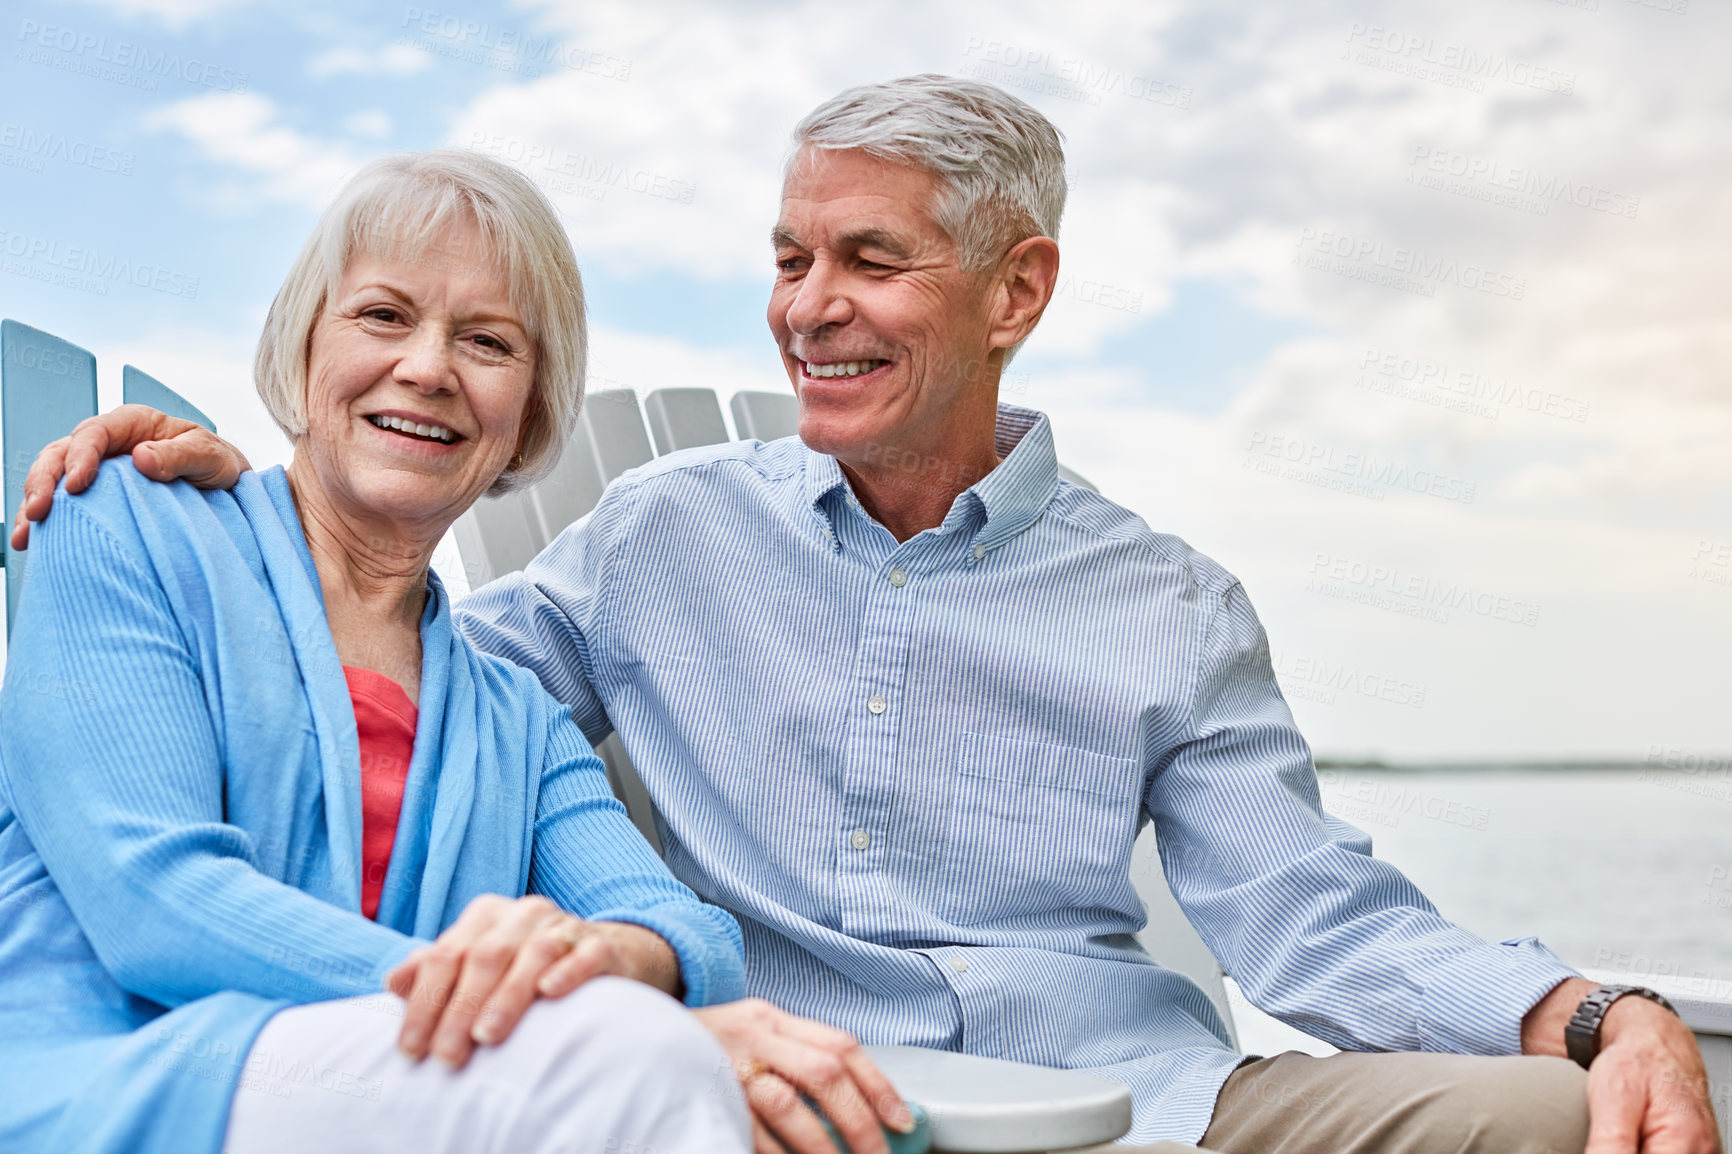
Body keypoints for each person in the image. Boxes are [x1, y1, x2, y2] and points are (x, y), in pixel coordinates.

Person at [12, 77, 1718, 1154]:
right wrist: (249, 478)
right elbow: (377, 655)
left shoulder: (1165, 605)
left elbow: (1309, 918)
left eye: (867, 263)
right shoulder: (650, 541)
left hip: (1144, 1104)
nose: (806, 309)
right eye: (787, 258)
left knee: (1595, 1120)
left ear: (1016, 291)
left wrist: (1592, 1007)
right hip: (793, 1095)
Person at [0, 150, 769, 1154]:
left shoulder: (516, 716)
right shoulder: (127, 524)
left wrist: (618, 956)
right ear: (305, 345)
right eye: (382, 315)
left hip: (421, 1086)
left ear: (530, 408)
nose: (428, 366)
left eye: (487, 340)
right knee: (641, 1062)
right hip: (127, 1082)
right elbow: (154, 899)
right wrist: (527, 1005)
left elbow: (688, 934)